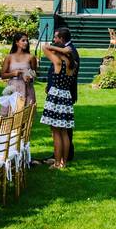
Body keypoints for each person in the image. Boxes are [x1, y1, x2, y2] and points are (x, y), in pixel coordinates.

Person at [40, 33, 78, 169]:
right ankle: (64, 162)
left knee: (55, 131)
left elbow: (44, 47)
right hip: (66, 97)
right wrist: (64, 50)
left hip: (56, 96)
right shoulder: (72, 63)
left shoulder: (57, 62)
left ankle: (57, 163)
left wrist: (59, 50)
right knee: (64, 132)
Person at [1, 32, 38, 105]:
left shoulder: (31, 57)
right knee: (11, 112)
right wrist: (13, 73)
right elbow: (3, 75)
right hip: (13, 87)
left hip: (27, 88)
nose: (26, 43)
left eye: (27, 41)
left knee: (25, 113)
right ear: (17, 42)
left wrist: (30, 78)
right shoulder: (9, 57)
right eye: (23, 40)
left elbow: (34, 74)